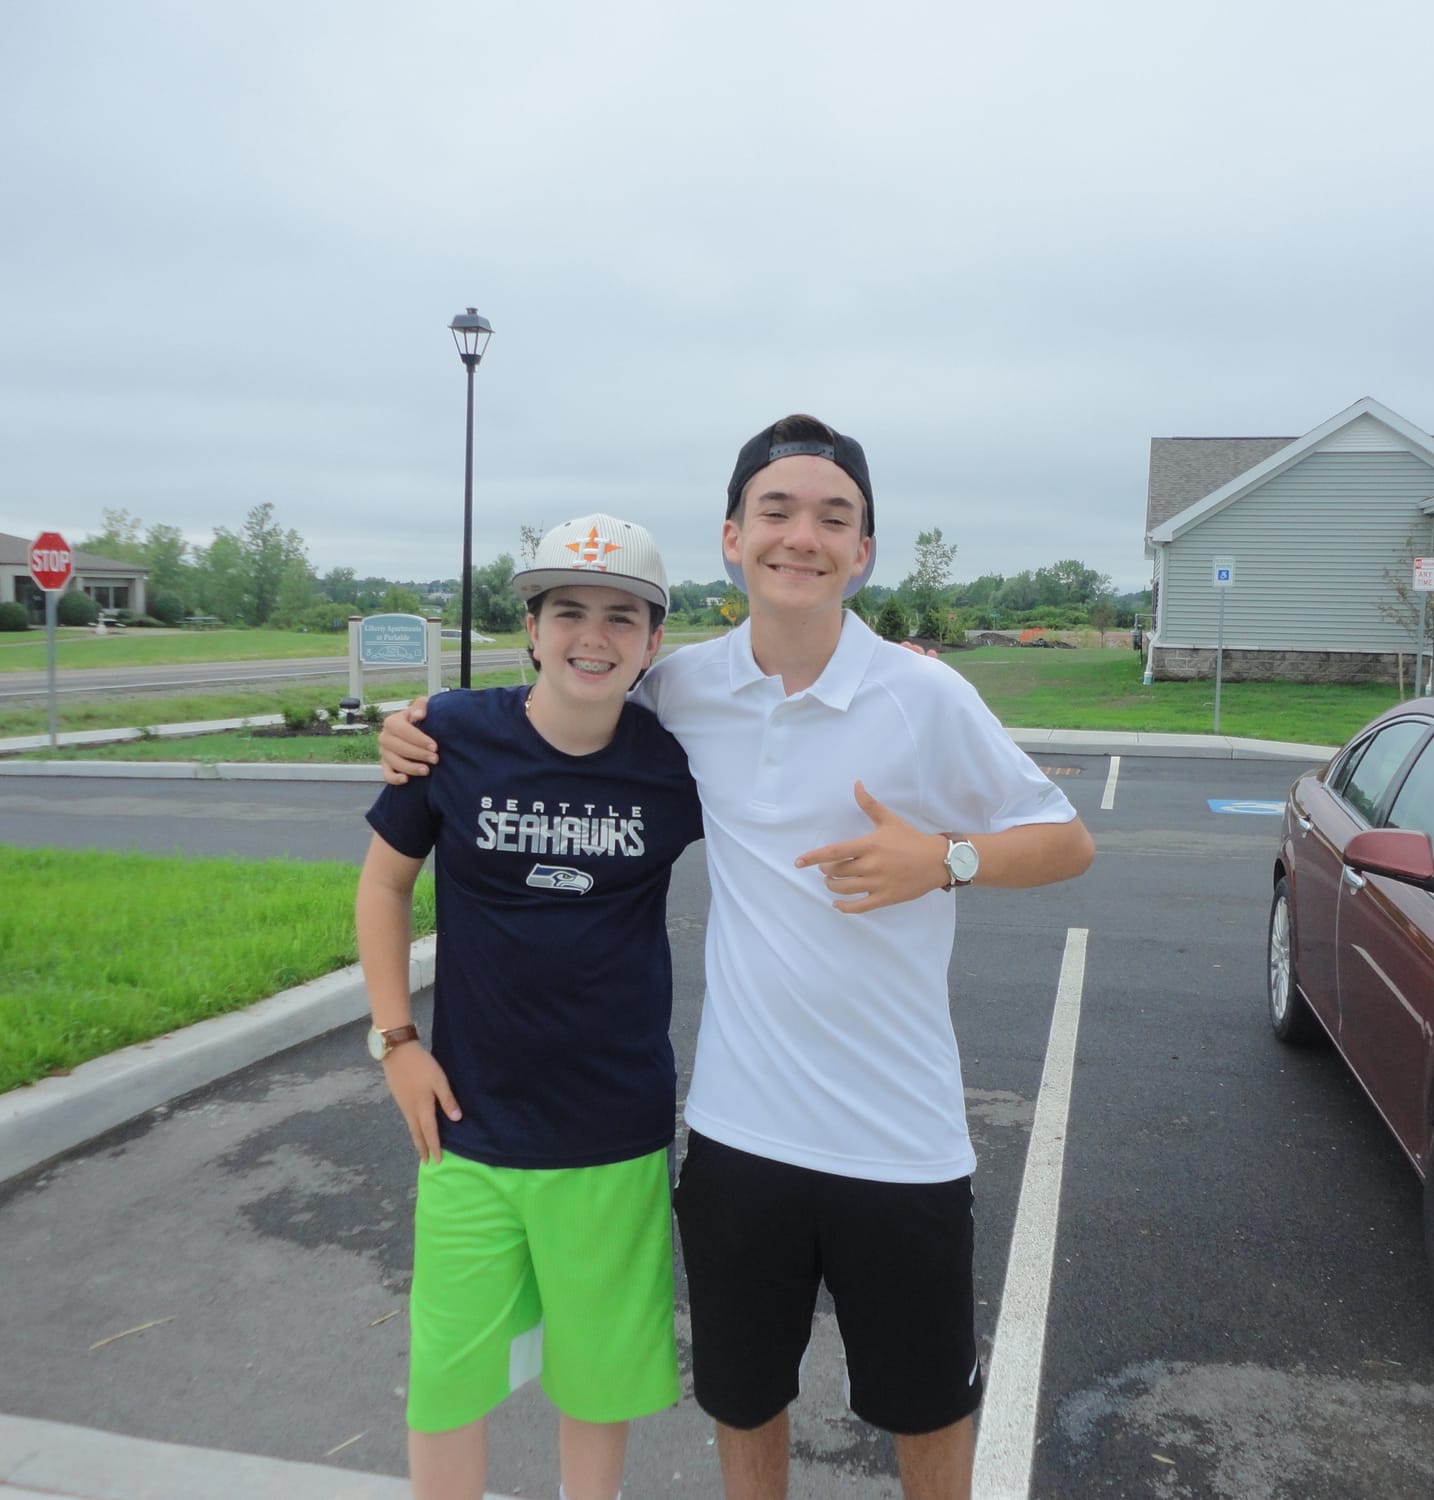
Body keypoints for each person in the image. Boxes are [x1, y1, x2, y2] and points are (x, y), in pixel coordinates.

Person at [381, 415, 1095, 1500]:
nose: (802, 536)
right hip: (739, 1134)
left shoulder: (925, 697)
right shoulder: (681, 690)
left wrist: (944, 859)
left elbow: (1067, 842)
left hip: (900, 1138)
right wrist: (418, 725)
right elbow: (552, 703)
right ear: (732, 537)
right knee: (744, 1403)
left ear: (862, 551)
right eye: (776, 511)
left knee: (927, 1411)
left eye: (833, 518)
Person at [356, 513, 702, 1500]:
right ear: (533, 630)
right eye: (568, 612)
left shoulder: (673, 763)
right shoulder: (449, 737)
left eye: (620, 617)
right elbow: (383, 886)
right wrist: (396, 1041)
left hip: (612, 1133)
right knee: (446, 1384)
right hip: (467, 1127)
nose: (592, 636)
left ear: (651, 642)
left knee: (595, 1385)